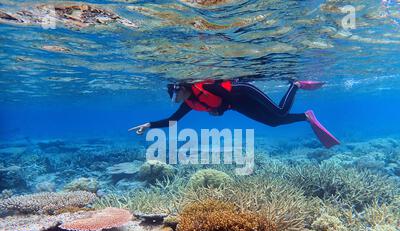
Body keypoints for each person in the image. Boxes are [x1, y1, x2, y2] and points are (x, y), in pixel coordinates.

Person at [129, 79, 340, 148]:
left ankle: (295, 85)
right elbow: (173, 121)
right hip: (238, 105)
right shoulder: (190, 102)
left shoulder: (204, 87)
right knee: (274, 123)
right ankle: (306, 116)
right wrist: (149, 125)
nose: (177, 99)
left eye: (178, 93)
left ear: (182, 87)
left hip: (242, 91)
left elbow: (226, 95)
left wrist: (218, 110)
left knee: (280, 111)